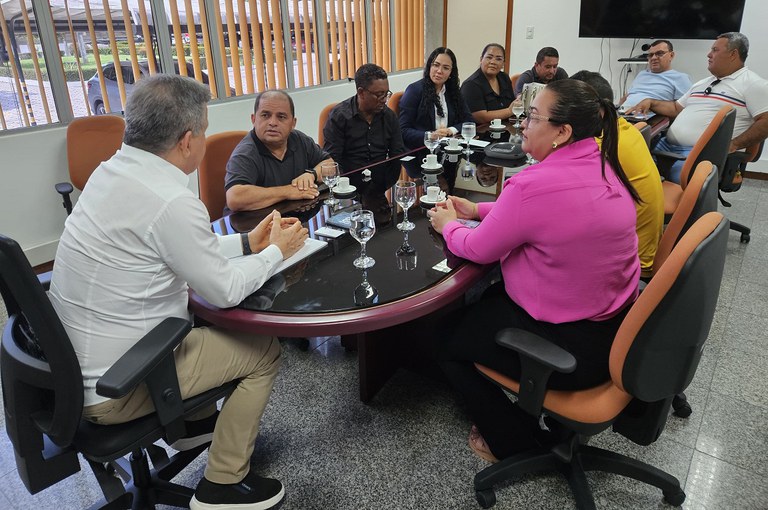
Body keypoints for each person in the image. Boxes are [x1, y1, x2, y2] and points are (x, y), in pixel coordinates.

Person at [49, 75, 309, 510]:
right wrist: (277, 254)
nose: (205, 139)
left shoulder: (111, 171)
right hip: (120, 382)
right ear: (187, 140)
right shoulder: (170, 198)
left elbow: (176, 245)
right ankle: (223, 484)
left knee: (203, 327)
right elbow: (223, 290)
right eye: (205, 130)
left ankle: (190, 424)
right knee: (263, 350)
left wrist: (249, 244)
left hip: (72, 368)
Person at [429, 79, 641, 461]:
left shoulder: (533, 184)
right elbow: (542, 217)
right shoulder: (603, 162)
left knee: (443, 338)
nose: (523, 124)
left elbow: (477, 248)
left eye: (533, 117)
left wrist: (448, 224)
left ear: (562, 131)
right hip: (615, 329)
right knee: (487, 296)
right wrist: (476, 211)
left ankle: (513, 441)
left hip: (570, 350)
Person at [628, 32, 768, 184]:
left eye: (715, 50)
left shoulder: (753, 84)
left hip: (700, 155)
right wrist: (651, 102)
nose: (709, 54)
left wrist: (734, 144)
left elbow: (766, 120)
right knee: (623, 162)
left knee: (641, 180)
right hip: (666, 148)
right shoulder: (703, 83)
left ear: (733, 54)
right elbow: (676, 108)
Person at [572, 70, 664, 279]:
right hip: (641, 250)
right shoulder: (627, 129)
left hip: (627, 267)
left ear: (597, 111)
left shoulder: (598, 148)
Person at [225, 89, 334, 211]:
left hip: (293, 217)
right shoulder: (246, 152)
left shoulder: (299, 139)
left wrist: (312, 175)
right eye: (265, 115)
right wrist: (288, 191)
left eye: (281, 117)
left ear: (293, 123)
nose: (272, 123)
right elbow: (235, 198)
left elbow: (330, 165)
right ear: (253, 119)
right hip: (253, 224)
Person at [322, 63, 406, 220]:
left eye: (386, 94)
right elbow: (333, 160)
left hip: (382, 185)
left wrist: (380, 188)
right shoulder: (339, 117)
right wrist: (348, 189)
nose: (384, 100)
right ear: (361, 92)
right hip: (349, 191)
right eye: (379, 95)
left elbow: (397, 154)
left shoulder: (389, 116)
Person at [399, 47, 474, 179]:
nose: (439, 71)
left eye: (445, 68)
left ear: (451, 72)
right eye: (436, 65)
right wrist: (430, 136)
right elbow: (402, 130)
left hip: (447, 154)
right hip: (420, 156)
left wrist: (450, 130)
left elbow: (469, 122)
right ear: (429, 67)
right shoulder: (414, 91)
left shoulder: (453, 92)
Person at [619, 40, 691, 107]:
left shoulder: (681, 78)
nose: (653, 58)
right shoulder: (642, 74)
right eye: (650, 55)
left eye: (659, 53)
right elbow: (626, 97)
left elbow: (681, 109)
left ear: (671, 55)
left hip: (650, 119)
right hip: (624, 116)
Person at [460, 43, 516, 124]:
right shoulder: (470, 85)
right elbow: (480, 117)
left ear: (503, 63)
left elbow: (512, 102)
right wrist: (509, 111)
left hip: (505, 130)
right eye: (489, 57)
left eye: (498, 59)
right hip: (481, 133)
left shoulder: (504, 78)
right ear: (481, 59)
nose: (493, 62)